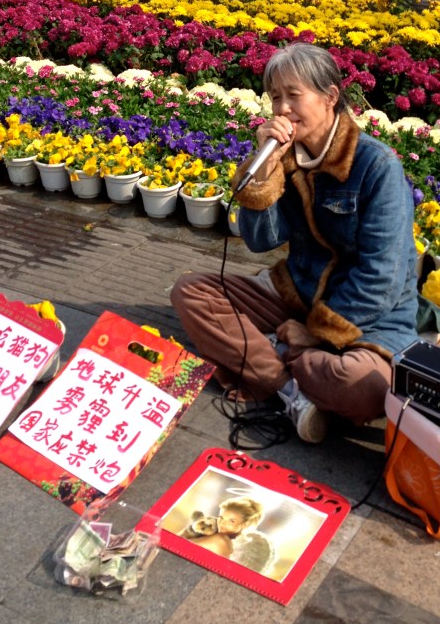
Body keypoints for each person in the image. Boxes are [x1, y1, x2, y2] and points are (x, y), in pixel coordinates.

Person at [170, 42, 420, 444]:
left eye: (293, 96)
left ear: (330, 98)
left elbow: (382, 278)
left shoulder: (377, 166)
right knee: (190, 292)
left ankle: (266, 356)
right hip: (296, 295)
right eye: (275, 98)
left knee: (359, 383)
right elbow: (260, 240)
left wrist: (316, 333)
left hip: (369, 319)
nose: (282, 109)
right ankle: (293, 391)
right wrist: (263, 168)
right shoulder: (286, 156)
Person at [187, 496, 264, 559]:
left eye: (231, 521)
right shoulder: (218, 537)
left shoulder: (220, 540)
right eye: (221, 517)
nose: (222, 523)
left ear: (245, 524)